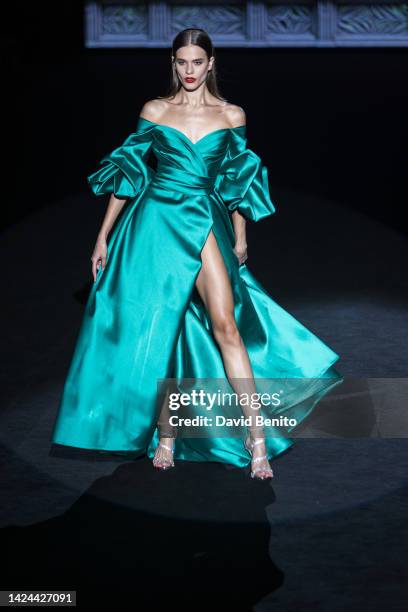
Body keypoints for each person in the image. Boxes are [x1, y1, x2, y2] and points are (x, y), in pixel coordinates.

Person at [51, 27, 342, 480]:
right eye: (181, 62)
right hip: (154, 226)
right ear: (173, 63)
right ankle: (167, 434)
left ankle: (255, 433)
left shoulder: (231, 114)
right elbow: (129, 172)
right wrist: (103, 235)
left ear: (211, 63)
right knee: (162, 326)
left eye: (197, 62)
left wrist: (242, 238)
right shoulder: (155, 110)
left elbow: (237, 178)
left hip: (205, 221)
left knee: (225, 324)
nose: (189, 70)